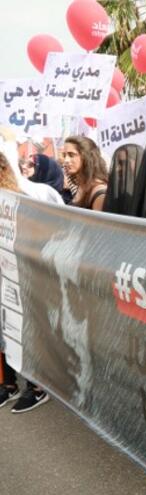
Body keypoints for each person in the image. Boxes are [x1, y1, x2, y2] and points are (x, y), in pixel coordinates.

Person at [0, 150, 49, 413]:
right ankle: (7, 385)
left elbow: (36, 240)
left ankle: (36, 387)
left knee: (24, 331)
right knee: (3, 332)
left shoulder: (19, 200)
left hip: (19, 278)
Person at [62, 136, 107, 210]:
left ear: (86, 157)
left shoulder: (100, 193)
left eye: (71, 155)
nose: (66, 160)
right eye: (64, 155)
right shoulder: (82, 185)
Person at [103, 144, 144, 215]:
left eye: (123, 163)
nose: (117, 169)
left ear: (139, 162)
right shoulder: (114, 194)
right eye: (116, 164)